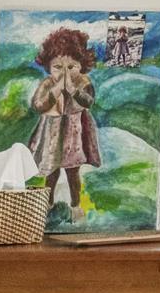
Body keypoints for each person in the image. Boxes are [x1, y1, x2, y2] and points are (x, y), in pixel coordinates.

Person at [29, 26, 104, 214]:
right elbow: (38, 105)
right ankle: (47, 205)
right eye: (58, 67)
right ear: (48, 67)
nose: (65, 73)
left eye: (71, 67)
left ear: (81, 66)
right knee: (51, 171)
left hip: (74, 131)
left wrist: (72, 90)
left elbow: (88, 102)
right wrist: (55, 91)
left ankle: (75, 205)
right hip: (53, 131)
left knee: (73, 171)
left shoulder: (83, 82)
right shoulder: (48, 83)